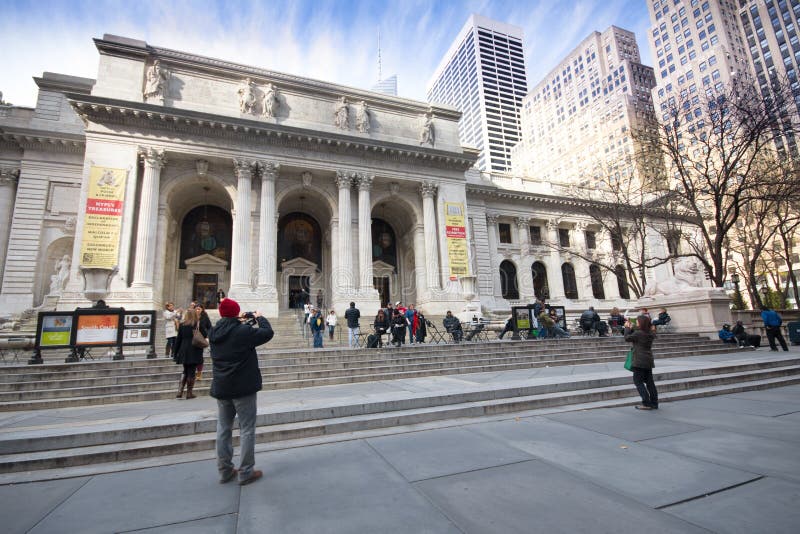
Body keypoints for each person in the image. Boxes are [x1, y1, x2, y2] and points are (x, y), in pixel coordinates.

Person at [209, 298, 274, 486]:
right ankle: (246, 472)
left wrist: (240, 322)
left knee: (223, 429)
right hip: (243, 387)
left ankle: (224, 471)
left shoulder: (214, 332)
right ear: (236, 313)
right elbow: (267, 333)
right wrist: (259, 317)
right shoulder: (242, 331)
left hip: (222, 387)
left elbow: (231, 333)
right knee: (246, 430)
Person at [625, 315, 658, 410]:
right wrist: (631, 328)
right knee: (650, 382)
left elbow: (627, 338)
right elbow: (638, 333)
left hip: (639, 360)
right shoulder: (650, 333)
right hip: (648, 360)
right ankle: (654, 403)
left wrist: (627, 328)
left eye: (638, 321)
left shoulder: (639, 333)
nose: (636, 323)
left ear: (641, 323)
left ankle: (646, 403)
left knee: (638, 381)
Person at [173, 307, 207, 400]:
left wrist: (175, 353)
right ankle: (189, 393)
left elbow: (178, 340)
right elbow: (205, 335)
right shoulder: (197, 324)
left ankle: (180, 391)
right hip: (194, 349)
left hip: (183, 349)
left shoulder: (182, 325)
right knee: (191, 371)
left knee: (185, 370)